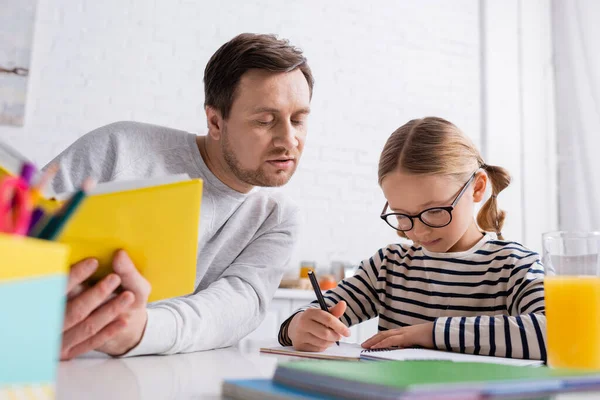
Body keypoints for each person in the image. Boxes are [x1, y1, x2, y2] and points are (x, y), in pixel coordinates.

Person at [52, 33, 314, 359]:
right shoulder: (119, 149)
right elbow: (14, 233)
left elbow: (237, 307)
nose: (289, 139)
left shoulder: (276, 216)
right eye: (265, 120)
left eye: (299, 119)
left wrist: (139, 330)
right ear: (215, 122)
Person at [279, 117, 547, 361]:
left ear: (477, 188)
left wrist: (430, 334)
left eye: (434, 211)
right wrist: (299, 327)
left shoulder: (513, 266)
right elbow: (306, 318)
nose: (418, 232)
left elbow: (559, 332)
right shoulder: (389, 266)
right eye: (403, 215)